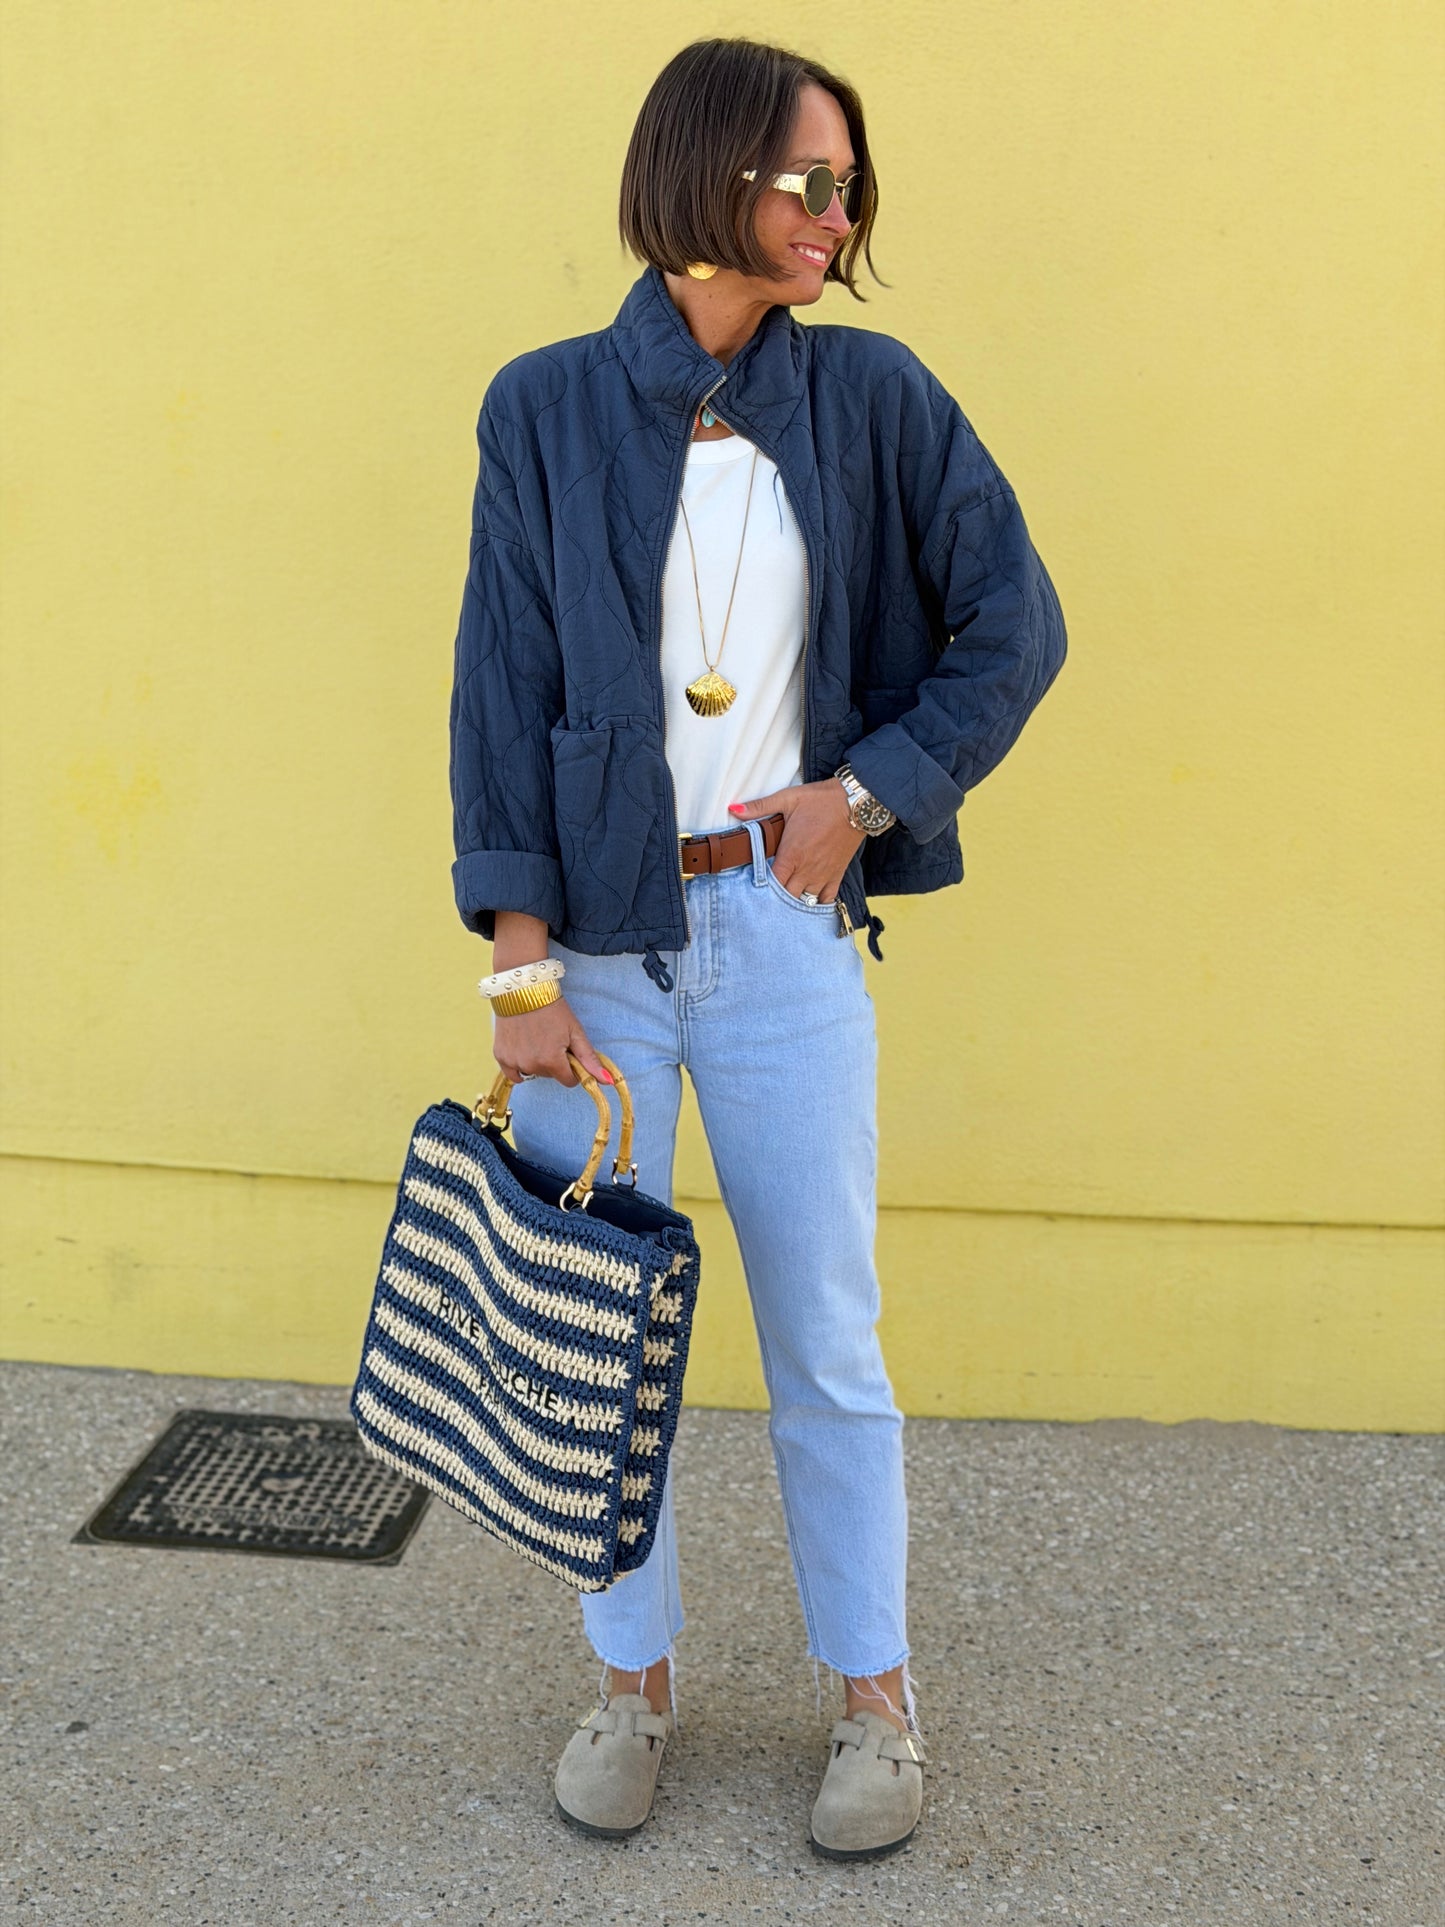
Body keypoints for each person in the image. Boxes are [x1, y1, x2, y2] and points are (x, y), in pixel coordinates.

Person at [448, 35, 1067, 1859]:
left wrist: (864, 796)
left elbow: (1012, 624)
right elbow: (501, 691)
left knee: (825, 1338)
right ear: (708, 173)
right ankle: (629, 1680)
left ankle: (873, 1699)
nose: (835, 215)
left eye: (851, 187)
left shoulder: (871, 397)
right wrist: (520, 971)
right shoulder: (545, 407)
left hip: (782, 935)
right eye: (809, 180)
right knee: (591, 1339)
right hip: (597, 952)